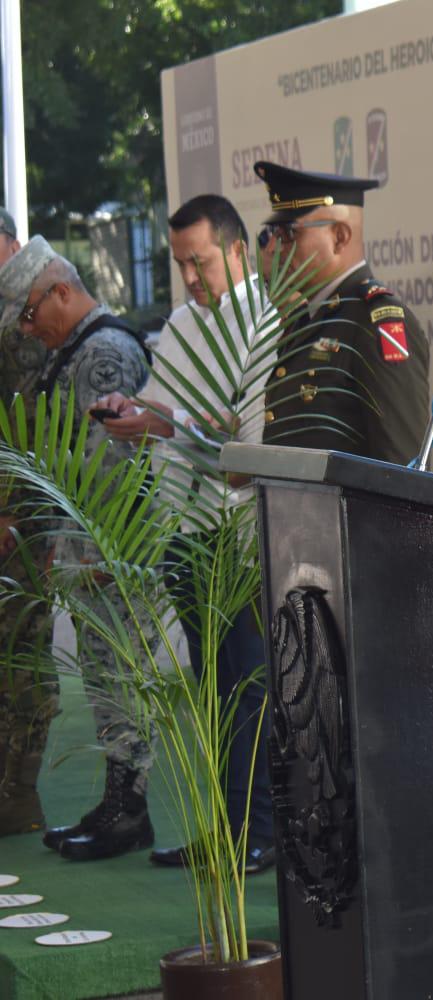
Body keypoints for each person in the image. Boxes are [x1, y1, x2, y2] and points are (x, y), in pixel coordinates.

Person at [95, 194, 278, 872]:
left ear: (236, 249)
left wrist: (166, 424)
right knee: (209, 692)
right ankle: (224, 830)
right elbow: (167, 405)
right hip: (188, 530)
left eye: (199, 262)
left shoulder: (266, 319)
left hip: (241, 533)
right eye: (180, 265)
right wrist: (132, 408)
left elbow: (247, 447)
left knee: (250, 689)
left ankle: (261, 833)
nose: (191, 280)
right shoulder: (180, 321)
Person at [0, 238, 157, 861]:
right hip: (93, 551)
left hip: (113, 551)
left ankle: (131, 807)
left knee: (121, 675)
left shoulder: (102, 354)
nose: (29, 328)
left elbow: (108, 470)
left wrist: (85, 553)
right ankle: (119, 804)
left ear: (61, 291)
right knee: (103, 676)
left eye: (32, 314)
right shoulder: (74, 351)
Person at [252, 161, 430, 464]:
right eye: (277, 234)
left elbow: (404, 466)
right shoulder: (304, 320)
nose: (279, 248)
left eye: (290, 234)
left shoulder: (377, 323)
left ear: (340, 236)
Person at [0, 208, 61, 838]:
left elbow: (27, 429)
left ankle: (17, 793)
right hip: (17, 510)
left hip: (20, 518)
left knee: (21, 658)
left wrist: (12, 512)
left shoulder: (18, 315)